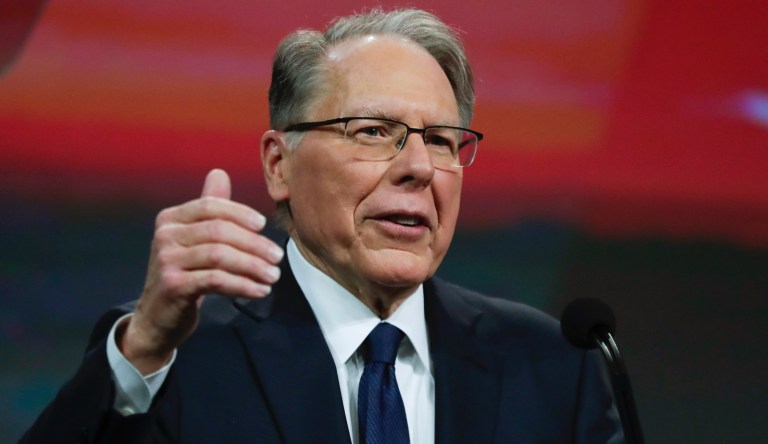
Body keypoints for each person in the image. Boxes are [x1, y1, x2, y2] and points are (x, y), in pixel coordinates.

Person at [21, 8, 623, 444]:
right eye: (373, 132)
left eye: (441, 140)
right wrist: (146, 347)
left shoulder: (552, 362)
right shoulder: (177, 354)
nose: (419, 168)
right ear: (279, 166)